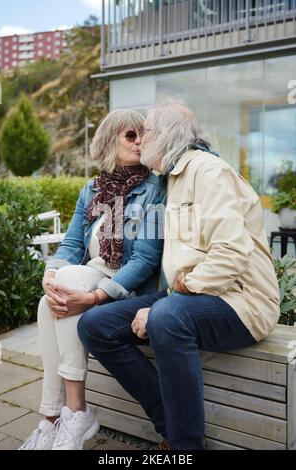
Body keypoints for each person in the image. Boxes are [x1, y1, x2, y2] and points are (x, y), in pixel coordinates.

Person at [77, 102, 280, 450]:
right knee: (95, 326)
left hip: (240, 300)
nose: (140, 139)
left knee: (167, 318)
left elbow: (230, 255)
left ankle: (186, 446)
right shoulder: (169, 179)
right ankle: (170, 426)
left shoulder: (209, 172)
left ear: (166, 137)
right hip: (190, 295)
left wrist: (168, 301)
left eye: (147, 131)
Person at [19, 109, 164, 450]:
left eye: (142, 133)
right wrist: (50, 274)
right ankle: (55, 418)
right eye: (131, 135)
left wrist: (96, 297)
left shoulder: (154, 189)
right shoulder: (92, 189)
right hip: (89, 274)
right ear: (109, 140)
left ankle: (76, 411)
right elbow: (71, 244)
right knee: (48, 300)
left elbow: (145, 260)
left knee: (67, 287)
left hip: (126, 288)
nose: (139, 140)